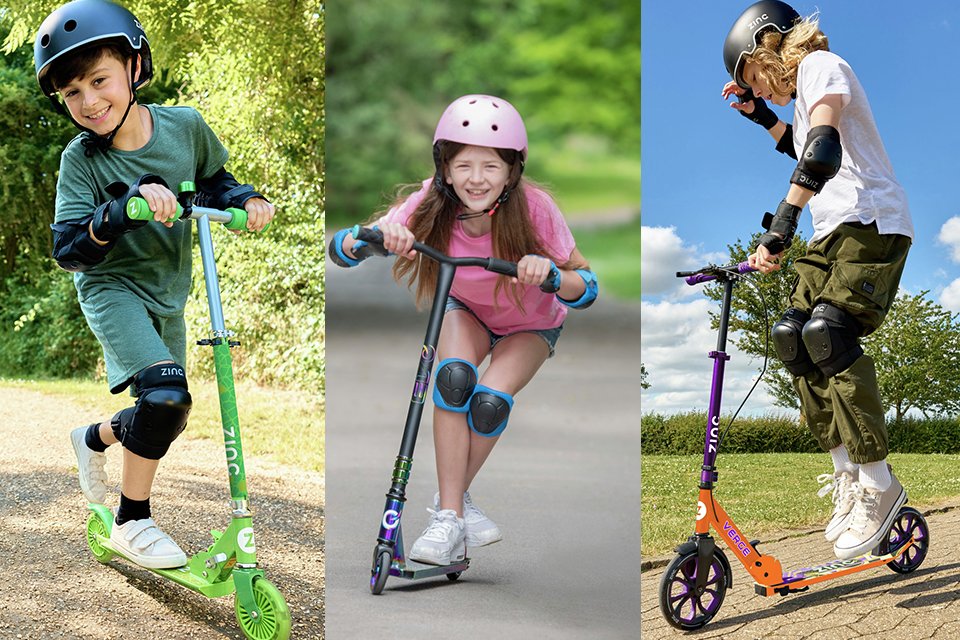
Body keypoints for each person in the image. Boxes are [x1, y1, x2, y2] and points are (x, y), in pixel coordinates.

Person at [36, 0, 274, 569]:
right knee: (166, 394)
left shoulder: (184, 127)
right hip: (112, 287)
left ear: (134, 68)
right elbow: (69, 250)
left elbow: (215, 183)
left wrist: (245, 201)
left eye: (99, 81)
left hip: (169, 289)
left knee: (168, 409)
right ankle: (131, 521)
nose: (89, 102)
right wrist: (122, 209)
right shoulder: (82, 160)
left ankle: (93, 438)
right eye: (72, 93)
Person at [330, 95, 598, 565]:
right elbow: (342, 249)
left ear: (512, 171)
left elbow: (587, 285)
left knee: (490, 403)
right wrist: (375, 238)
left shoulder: (536, 209)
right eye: (464, 165)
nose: (477, 179)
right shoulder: (429, 204)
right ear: (444, 169)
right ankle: (451, 517)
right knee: (453, 379)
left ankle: (449, 500)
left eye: (491, 166)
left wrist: (552, 275)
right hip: (467, 310)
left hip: (532, 323)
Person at [722, 1, 913, 560]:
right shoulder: (801, 92)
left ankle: (880, 483)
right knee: (792, 335)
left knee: (829, 331)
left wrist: (779, 226)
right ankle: (848, 476)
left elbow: (822, 150)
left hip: (871, 221)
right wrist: (760, 114)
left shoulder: (819, 66)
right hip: (831, 233)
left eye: (753, 74)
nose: (760, 85)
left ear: (768, 47)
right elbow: (798, 138)